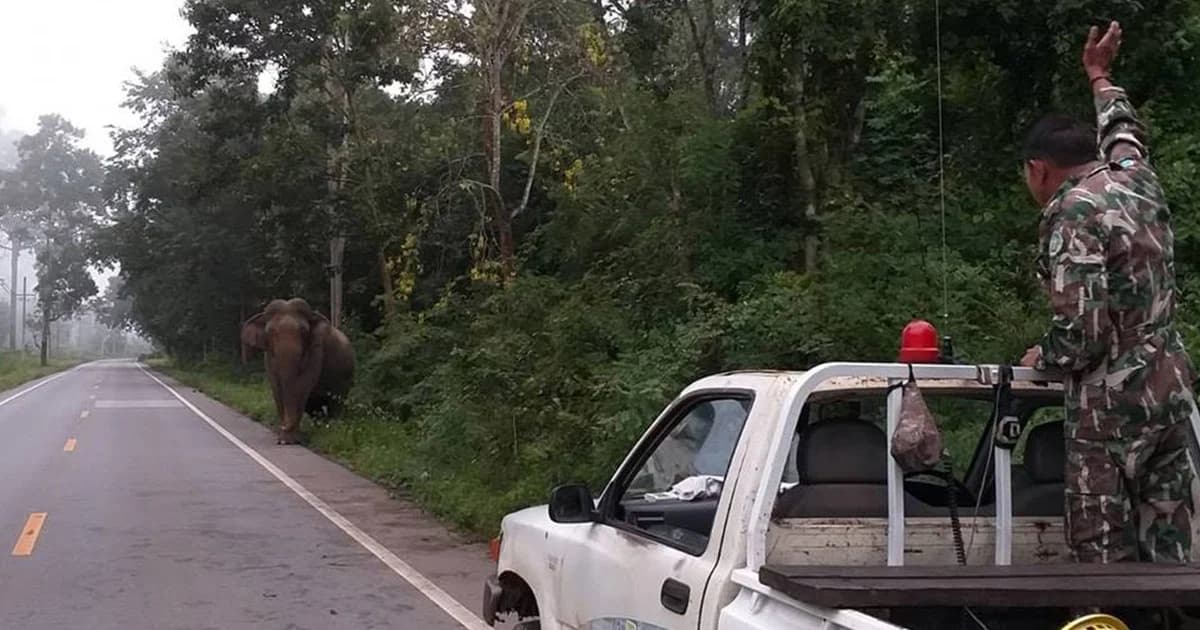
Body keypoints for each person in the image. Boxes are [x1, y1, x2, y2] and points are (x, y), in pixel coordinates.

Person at [1019, 21, 1196, 565]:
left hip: (1110, 413)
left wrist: (1043, 356)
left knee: (1103, 562)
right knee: (1172, 553)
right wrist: (1100, 75)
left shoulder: (1073, 211)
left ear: (1038, 170)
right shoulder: (1139, 179)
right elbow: (1124, 130)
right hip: (1171, 396)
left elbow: (1083, 333)